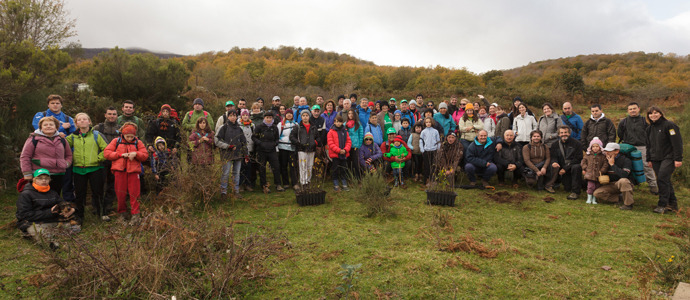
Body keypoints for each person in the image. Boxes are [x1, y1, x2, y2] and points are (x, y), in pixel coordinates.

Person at [32, 94, 76, 203]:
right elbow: (39, 129)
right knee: (45, 179)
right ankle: (44, 203)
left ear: (61, 105)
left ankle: (67, 203)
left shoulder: (68, 119)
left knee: (67, 181)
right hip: (44, 155)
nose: (55, 105)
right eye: (52, 103)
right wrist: (60, 128)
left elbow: (73, 136)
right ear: (48, 104)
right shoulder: (40, 115)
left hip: (62, 155)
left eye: (57, 103)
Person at [16, 169, 77, 245]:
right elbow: (24, 215)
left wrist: (72, 209)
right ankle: (51, 244)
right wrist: (49, 212)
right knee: (43, 236)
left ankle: (51, 233)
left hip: (51, 221)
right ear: (34, 180)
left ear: (49, 180)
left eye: (46, 178)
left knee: (75, 228)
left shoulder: (53, 193)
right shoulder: (25, 194)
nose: (44, 180)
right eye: (40, 178)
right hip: (33, 223)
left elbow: (62, 203)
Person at [103, 122, 148, 225]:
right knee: (120, 194)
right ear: (123, 134)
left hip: (133, 172)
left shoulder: (138, 142)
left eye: (132, 136)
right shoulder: (116, 141)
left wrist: (136, 154)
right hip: (119, 171)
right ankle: (122, 213)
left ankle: (135, 215)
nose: (129, 138)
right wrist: (119, 155)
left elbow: (145, 155)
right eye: (127, 136)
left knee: (135, 194)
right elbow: (107, 153)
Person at [67, 113, 108, 222]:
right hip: (78, 169)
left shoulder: (96, 135)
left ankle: (101, 213)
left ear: (89, 122)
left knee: (98, 192)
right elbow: (62, 147)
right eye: (79, 120)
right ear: (76, 123)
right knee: (80, 194)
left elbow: (106, 149)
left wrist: (98, 158)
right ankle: (80, 215)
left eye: (84, 119)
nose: (82, 121)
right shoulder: (72, 136)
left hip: (95, 168)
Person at [21, 116, 72, 196]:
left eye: (51, 124)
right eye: (45, 125)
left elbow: (68, 155)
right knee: (39, 198)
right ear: (41, 127)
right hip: (40, 174)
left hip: (58, 174)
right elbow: (25, 156)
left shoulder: (62, 140)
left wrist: (66, 164)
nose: (48, 126)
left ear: (56, 127)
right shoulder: (33, 139)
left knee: (55, 197)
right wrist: (27, 173)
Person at [645, 106, 683, 213]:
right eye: (651, 113)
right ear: (648, 116)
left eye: (656, 112)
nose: (653, 115)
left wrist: (678, 158)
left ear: (661, 114)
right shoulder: (649, 129)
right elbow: (648, 145)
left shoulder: (669, 126)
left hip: (669, 157)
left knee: (661, 178)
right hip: (655, 159)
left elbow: (677, 143)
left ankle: (662, 204)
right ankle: (673, 204)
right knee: (665, 180)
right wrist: (649, 159)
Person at [618, 102, 658, 194]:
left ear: (639, 109)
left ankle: (653, 186)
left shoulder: (645, 121)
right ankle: (630, 184)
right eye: (630, 109)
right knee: (627, 165)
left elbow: (651, 134)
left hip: (643, 146)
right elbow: (620, 134)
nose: (632, 110)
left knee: (646, 165)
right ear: (628, 110)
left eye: (634, 108)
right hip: (628, 147)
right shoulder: (623, 122)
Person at [215, 109, 248, 199]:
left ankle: (235, 191)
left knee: (236, 173)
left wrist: (246, 154)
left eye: (234, 115)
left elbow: (243, 142)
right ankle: (223, 192)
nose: (233, 117)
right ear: (228, 117)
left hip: (238, 155)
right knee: (225, 173)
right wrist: (227, 146)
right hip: (227, 154)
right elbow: (216, 140)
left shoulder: (239, 129)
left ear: (237, 117)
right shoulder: (223, 127)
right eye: (231, 115)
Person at [594, 143, 635, 210]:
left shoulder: (626, 160)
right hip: (611, 184)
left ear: (617, 151)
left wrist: (612, 165)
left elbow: (624, 175)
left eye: (609, 151)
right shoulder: (604, 159)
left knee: (623, 181)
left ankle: (628, 204)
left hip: (624, 183)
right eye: (606, 151)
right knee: (597, 193)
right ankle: (620, 198)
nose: (607, 153)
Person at [95, 107, 119, 216]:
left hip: (116, 160)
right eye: (109, 114)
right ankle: (97, 208)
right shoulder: (97, 128)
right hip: (101, 161)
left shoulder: (121, 129)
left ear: (117, 116)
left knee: (112, 185)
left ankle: (108, 207)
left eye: (114, 114)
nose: (111, 116)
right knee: (99, 184)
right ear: (105, 115)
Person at [252, 111, 284, 193]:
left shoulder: (274, 127)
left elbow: (277, 138)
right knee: (262, 168)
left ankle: (278, 184)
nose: (268, 119)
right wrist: (260, 143)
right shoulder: (259, 127)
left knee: (276, 167)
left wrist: (274, 144)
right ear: (264, 118)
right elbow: (254, 137)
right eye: (267, 118)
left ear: (272, 118)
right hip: (261, 150)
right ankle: (264, 186)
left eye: (270, 118)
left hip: (272, 150)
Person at [550, 126, 583, 200]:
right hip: (562, 167)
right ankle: (552, 184)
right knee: (567, 188)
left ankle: (575, 192)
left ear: (569, 133)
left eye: (566, 132)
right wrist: (554, 162)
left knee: (576, 167)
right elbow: (553, 156)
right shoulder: (555, 145)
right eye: (561, 133)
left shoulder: (577, 144)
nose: (564, 134)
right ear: (558, 134)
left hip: (572, 166)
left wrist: (565, 168)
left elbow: (578, 158)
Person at [290, 110, 318, 188]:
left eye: (307, 115)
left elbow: (318, 137)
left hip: (311, 149)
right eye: (303, 116)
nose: (305, 117)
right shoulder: (298, 127)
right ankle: (303, 182)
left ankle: (308, 180)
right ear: (301, 117)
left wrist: (315, 142)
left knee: (310, 165)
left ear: (309, 116)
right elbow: (292, 137)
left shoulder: (313, 127)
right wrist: (298, 143)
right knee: (303, 166)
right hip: (302, 149)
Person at [327, 116, 352, 191]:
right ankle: (336, 183)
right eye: (336, 122)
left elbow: (349, 141)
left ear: (342, 123)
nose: (338, 123)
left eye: (340, 122)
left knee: (344, 168)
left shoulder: (345, 131)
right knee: (335, 169)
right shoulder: (331, 132)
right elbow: (330, 143)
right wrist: (339, 150)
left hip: (344, 153)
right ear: (334, 122)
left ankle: (344, 182)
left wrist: (345, 149)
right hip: (335, 154)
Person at [581, 137, 608, 204]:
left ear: (600, 147)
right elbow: (583, 162)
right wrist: (585, 168)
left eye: (597, 146)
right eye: (593, 146)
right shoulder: (588, 155)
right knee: (590, 186)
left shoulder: (603, 156)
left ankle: (594, 198)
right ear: (591, 147)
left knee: (597, 187)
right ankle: (589, 198)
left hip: (598, 174)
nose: (595, 148)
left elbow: (605, 164)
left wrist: (602, 170)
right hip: (590, 174)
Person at [277, 109, 298, 189]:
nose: (289, 115)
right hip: (282, 147)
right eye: (287, 113)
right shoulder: (281, 124)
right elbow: (277, 135)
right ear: (285, 115)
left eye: (290, 113)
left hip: (292, 148)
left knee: (293, 166)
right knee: (283, 166)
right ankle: (285, 183)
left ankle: (295, 183)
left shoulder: (296, 124)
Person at [238, 109, 256, 192]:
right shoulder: (238, 125)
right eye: (243, 115)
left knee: (250, 168)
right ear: (241, 116)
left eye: (246, 115)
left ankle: (248, 184)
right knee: (241, 167)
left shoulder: (252, 125)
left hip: (251, 149)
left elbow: (254, 136)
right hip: (241, 150)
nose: (245, 116)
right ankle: (241, 184)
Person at [420, 117, 441, 185]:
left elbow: (438, 141)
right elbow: (421, 140)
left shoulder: (435, 131)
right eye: (427, 122)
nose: (428, 124)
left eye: (429, 122)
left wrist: (438, 148)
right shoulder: (423, 131)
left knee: (433, 165)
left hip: (434, 150)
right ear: (425, 123)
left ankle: (433, 179)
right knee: (427, 166)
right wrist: (422, 149)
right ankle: (426, 180)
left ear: (432, 123)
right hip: (426, 151)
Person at [345, 108, 364, 179]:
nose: (350, 115)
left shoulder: (358, 124)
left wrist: (359, 145)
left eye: (352, 114)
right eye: (349, 114)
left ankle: (358, 178)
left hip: (355, 146)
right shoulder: (345, 124)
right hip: (347, 147)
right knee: (348, 162)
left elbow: (361, 135)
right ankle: (349, 178)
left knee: (356, 163)